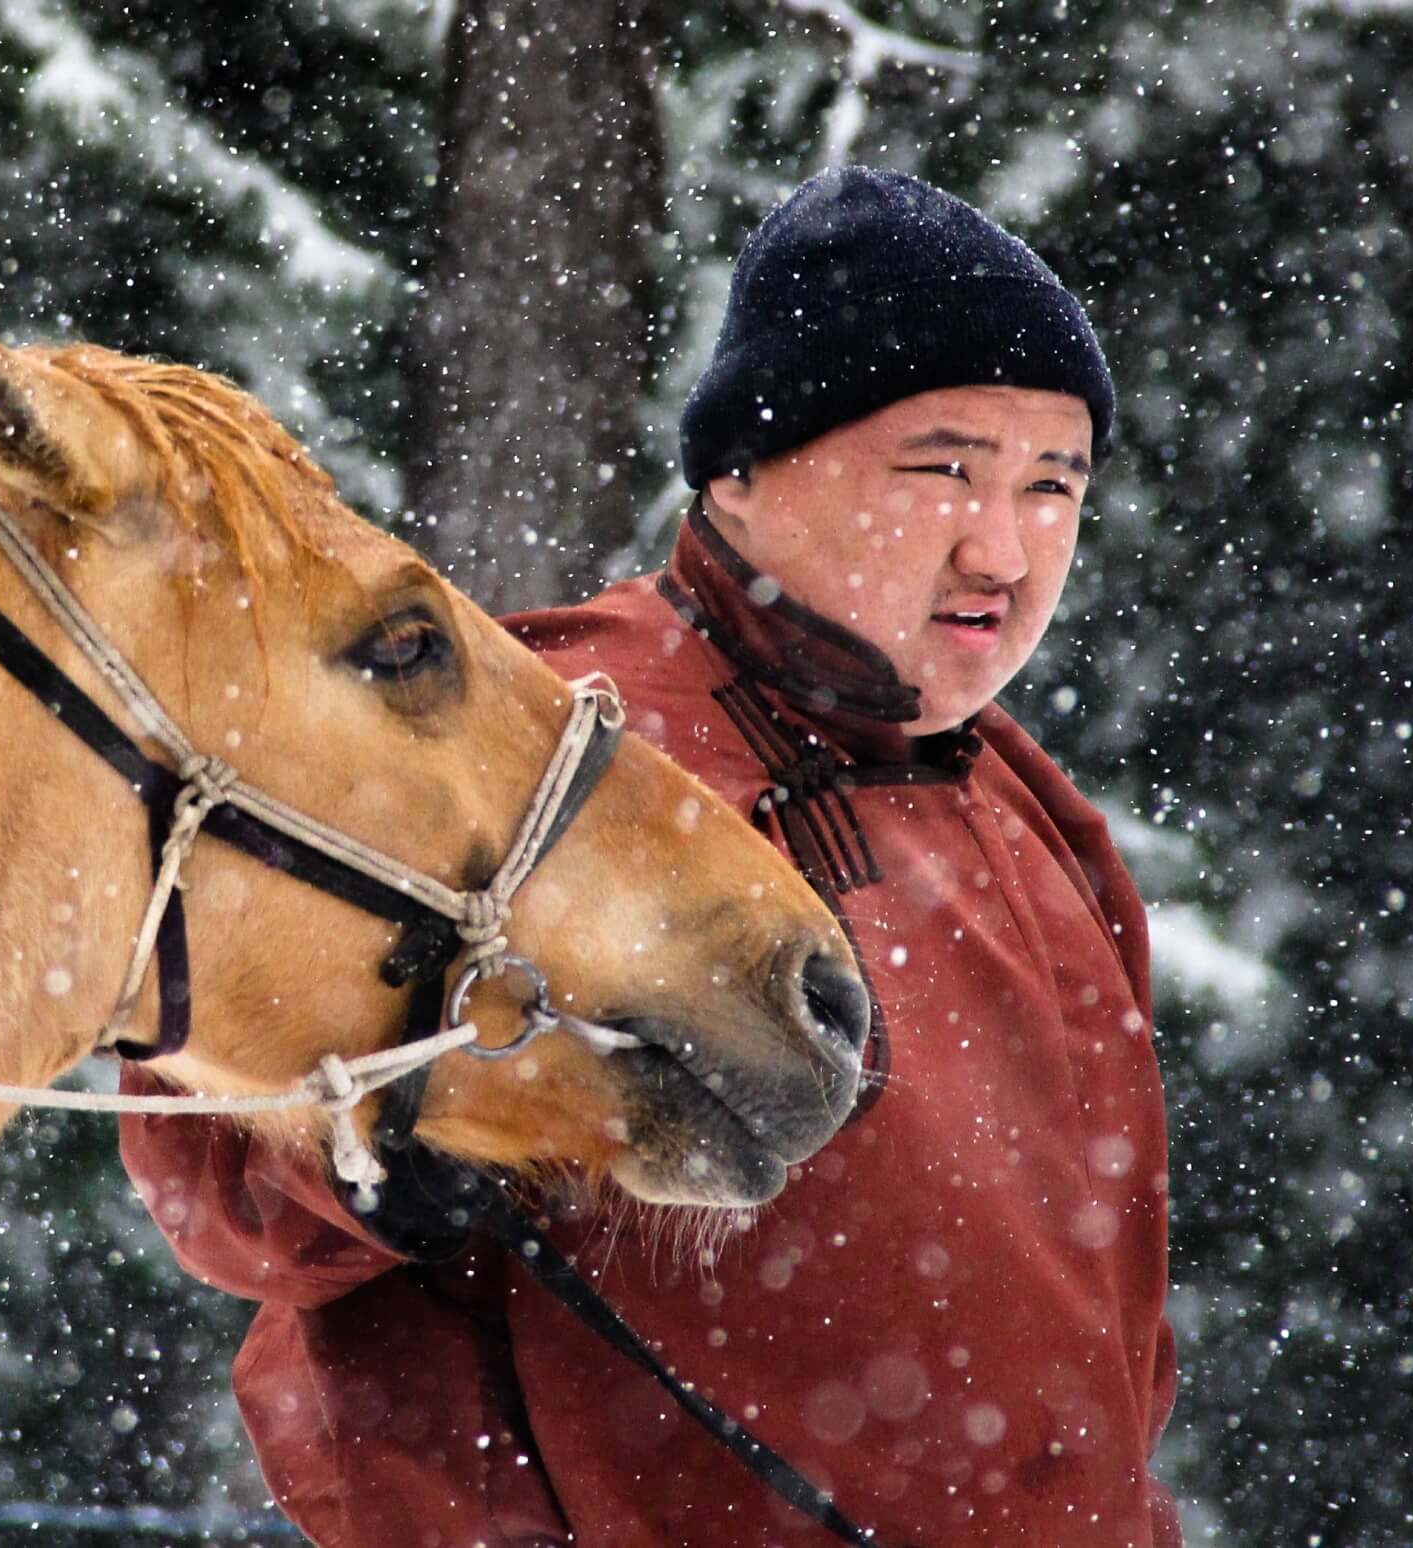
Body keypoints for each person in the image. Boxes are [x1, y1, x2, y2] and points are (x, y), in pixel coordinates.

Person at [122, 167, 1177, 1546]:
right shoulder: (564, 737)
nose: (1004, 544)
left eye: (1053, 485)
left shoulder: (1035, 816)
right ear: (746, 463)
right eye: (943, 469)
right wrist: (386, 1143)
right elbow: (208, 1156)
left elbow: (1116, 1365)